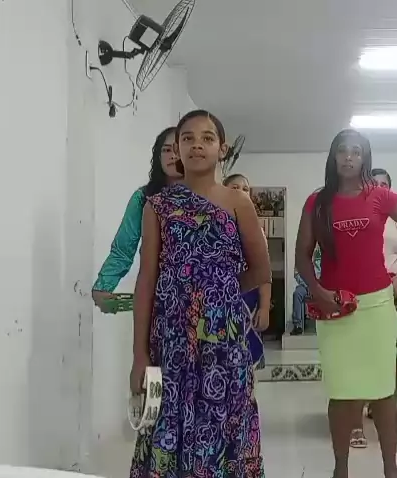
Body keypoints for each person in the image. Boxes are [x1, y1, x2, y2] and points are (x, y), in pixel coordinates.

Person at [130, 110, 271, 477]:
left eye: (207, 138)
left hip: (224, 339)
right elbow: (147, 279)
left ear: (222, 149)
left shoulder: (238, 202)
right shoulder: (157, 206)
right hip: (172, 339)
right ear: (176, 149)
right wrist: (139, 354)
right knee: (169, 418)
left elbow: (260, 269)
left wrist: (216, 292)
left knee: (224, 420)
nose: (197, 145)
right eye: (187, 138)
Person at [294, 129, 397, 478]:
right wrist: (317, 290)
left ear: (365, 158)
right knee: (341, 392)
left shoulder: (380, 196)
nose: (348, 157)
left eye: (356, 151)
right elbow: (302, 257)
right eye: (342, 150)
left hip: (377, 308)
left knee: (384, 391)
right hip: (335, 309)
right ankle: (340, 468)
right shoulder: (317, 202)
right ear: (333, 156)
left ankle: (390, 468)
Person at [350, 167, 397, 449]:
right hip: (360, 293)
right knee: (358, 357)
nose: (379, 187)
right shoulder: (354, 215)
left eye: (384, 184)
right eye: (373, 183)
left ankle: (386, 420)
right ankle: (355, 425)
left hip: (392, 292)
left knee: (390, 359)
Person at [91, 126, 181, 312]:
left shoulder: (210, 198)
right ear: (157, 156)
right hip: (159, 295)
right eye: (166, 150)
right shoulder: (144, 198)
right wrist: (104, 284)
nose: (173, 156)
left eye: (178, 150)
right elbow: (124, 248)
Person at [223, 173, 270, 367]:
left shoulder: (256, 230)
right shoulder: (211, 224)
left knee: (247, 365)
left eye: (245, 189)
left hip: (248, 302)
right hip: (218, 302)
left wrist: (264, 307)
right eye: (235, 188)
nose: (241, 192)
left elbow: (264, 271)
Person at [290, 247, 322, 335]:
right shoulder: (300, 256)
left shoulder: (320, 252)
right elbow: (296, 274)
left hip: (319, 285)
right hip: (305, 285)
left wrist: (316, 286)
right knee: (297, 293)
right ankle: (298, 326)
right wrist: (308, 286)